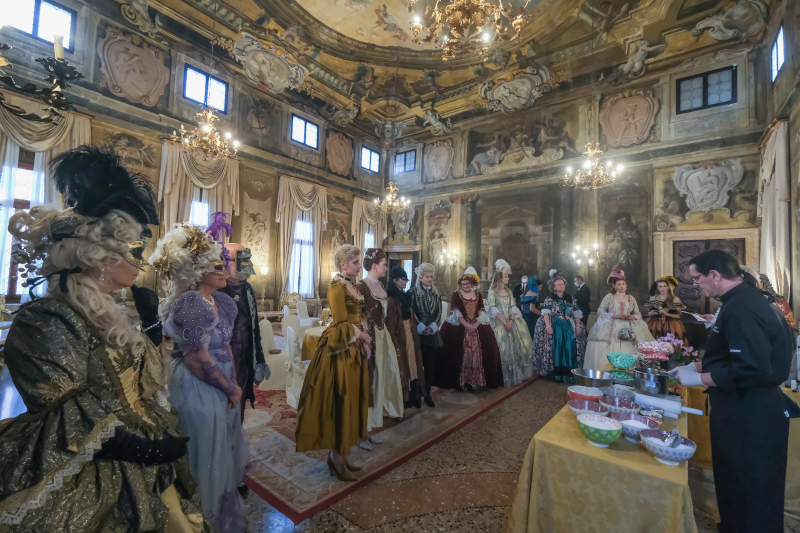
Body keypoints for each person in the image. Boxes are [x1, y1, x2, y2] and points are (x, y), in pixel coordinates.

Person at [0, 146, 207, 532]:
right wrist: (141, 449)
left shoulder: (114, 311)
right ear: (99, 255)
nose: (141, 263)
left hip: (142, 445)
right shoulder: (46, 319)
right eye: (135, 251)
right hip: (92, 465)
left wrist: (149, 328)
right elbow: (62, 411)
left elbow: (146, 381)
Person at [670, 250, 799, 533]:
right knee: (738, 482)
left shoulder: (742, 307)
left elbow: (750, 368)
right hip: (748, 408)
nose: (696, 285)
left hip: (748, 412)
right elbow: (736, 354)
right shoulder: (748, 301)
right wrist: (696, 365)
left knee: (749, 485)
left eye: (697, 278)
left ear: (715, 275)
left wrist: (700, 378)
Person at [154, 223, 250, 532]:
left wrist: (233, 381)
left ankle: (218, 512)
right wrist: (231, 389)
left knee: (224, 444)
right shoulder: (191, 302)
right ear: (196, 271)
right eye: (218, 266)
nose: (226, 271)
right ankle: (202, 519)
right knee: (206, 451)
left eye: (225, 264)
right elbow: (197, 359)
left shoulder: (220, 301)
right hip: (197, 387)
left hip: (220, 380)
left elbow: (227, 349)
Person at [295, 245, 371, 481]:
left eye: (359, 262)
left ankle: (343, 456)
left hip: (354, 348)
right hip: (341, 351)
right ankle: (336, 459)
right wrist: (363, 337)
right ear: (343, 265)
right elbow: (340, 324)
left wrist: (365, 342)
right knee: (342, 400)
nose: (360, 266)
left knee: (353, 401)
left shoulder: (352, 285)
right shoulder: (336, 287)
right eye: (356, 262)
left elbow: (359, 317)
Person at [207, 213, 271, 423]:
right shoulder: (213, 291)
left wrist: (259, 359)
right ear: (225, 261)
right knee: (220, 411)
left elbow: (254, 328)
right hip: (220, 364)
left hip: (244, 362)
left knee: (239, 409)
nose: (246, 264)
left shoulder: (249, 289)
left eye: (247, 259)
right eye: (240, 259)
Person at [357, 248, 404, 448]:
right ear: (375, 266)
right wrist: (365, 340)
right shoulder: (361, 286)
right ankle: (362, 433)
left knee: (382, 381)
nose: (387, 268)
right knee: (370, 384)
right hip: (371, 340)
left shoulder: (380, 285)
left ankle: (371, 429)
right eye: (385, 264)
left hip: (384, 338)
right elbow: (357, 317)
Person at [436, 267, 504, 390]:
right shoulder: (456, 295)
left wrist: (476, 324)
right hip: (460, 324)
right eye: (463, 284)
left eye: (467, 284)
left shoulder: (477, 294)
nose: (465, 286)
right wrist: (467, 325)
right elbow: (457, 313)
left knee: (484, 349)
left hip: (476, 324)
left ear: (472, 284)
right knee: (458, 352)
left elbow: (482, 311)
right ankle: (459, 382)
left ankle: (472, 381)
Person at [583, 269, 653, 371]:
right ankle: (609, 370)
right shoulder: (609, 297)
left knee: (633, 344)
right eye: (619, 284)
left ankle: (629, 370)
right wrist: (614, 315)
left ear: (626, 285)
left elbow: (637, 313)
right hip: (612, 324)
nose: (621, 286)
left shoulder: (631, 298)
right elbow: (601, 310)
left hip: (629, 324)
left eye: (623, 284)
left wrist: (631, 317)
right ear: (614, 286)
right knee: (610, 344)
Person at [531, 276, 587, 382]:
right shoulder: (550, 299)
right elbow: (546, 313)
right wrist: (548, 326)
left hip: (568, 325)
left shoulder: (570, 298)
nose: (562, 286)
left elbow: (577, 313)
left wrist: (578, 326)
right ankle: (556, 372)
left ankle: (569, 373)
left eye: (563, 284)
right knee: (557, 347)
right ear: (554, 287)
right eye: (559, 285)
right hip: (555, 324)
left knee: (570, 347)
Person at [386, 265, 426, 409]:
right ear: (396, 280)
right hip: (400, 336)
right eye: (404, 279)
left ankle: (414, 395)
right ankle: (405, 398)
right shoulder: (391, 299)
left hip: (410, 332)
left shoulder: (404, 295)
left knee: (413, 364)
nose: (406, 281)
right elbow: (390, 323)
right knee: (404, 365)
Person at [488, 260, 533, 387]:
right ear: (500, 277)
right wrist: (504, 323)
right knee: (501, 348)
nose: (508, 278)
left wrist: (511, 321)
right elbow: (493, 309)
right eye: (506, 276)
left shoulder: (509, 291)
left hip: (511, 322)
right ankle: (500, 376)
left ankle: (514, 374)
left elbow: (513, 307)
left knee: (518, 347)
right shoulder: (492, 292)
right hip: (498, 323)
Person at [408, 262, 443, 407]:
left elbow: (439, 312)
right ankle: (416, 396)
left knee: (430, 365)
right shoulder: (412, 292)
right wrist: (421, 327)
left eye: (431, 276)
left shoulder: (436, 294)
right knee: (416, 365)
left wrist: (433, 327)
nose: (429, 279)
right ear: (420, 277)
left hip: (431, 334)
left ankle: (428, 394)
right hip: (418, 334)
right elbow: (412, 311)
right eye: (426, 276)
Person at [643, 276, 686, 340]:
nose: (662, 288)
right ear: (657, 288)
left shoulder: (675, 299)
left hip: (672, 324)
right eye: (660, 286)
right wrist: (652, 313)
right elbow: (649, 313)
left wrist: (667, 314)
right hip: (654, 323)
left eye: (664, 286)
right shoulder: (653, 298)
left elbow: (679, 316)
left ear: (668, 287)